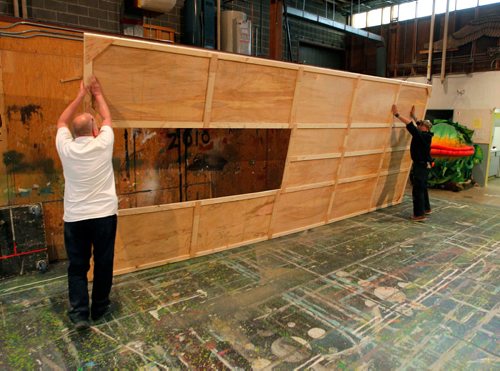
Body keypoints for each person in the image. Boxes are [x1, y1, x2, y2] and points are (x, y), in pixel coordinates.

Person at [56, 76, 118, 330]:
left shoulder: (66, 148)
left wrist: (80, 96)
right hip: (104, 216)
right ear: (94, 131)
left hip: (75, 218)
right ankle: (100, 307)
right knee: (103, 263)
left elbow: (61, 121)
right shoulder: (103, 143)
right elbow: (107, 119)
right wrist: (98, 94)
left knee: (77, 266)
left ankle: (80, 313)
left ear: (73, 133)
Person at [392, 104, 434, 222]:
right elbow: (417, 124)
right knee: (423, 188)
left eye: (420, 125)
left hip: (421, 166)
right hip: (425, 165)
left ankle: (419, 215)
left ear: (424, 127)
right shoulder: (426, 134)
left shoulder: (421, 136)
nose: (418, 125)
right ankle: (426, 208)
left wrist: (397, 114)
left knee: (418, 190)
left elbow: (410, 125)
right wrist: (414, 116)